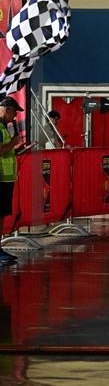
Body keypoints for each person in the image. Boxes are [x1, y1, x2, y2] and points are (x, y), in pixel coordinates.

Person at [0, 97, 24, 266]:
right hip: (1, 177)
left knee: (2, 214)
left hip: (6, 178)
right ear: (6, 109)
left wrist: (16, 148)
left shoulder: (3, 127)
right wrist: (14, 142)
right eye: (14, 112)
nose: (15, 116)